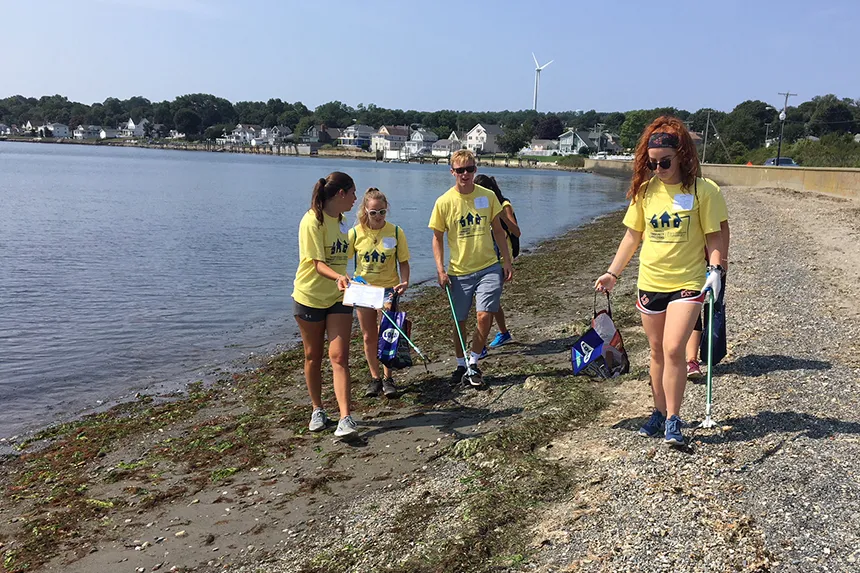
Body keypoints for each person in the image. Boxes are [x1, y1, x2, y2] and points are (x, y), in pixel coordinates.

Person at [594, 116, 726, 446]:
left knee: (673, 349)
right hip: (650, 282)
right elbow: (632, 236)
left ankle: (673, 419)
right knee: (655, 351)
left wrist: (717, 271)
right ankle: (658, 411)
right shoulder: (645, 191)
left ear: (682, 155)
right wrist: (613, 273)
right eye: (652, 164)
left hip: (688, 281)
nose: (658, 169)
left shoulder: (703, 191)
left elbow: (717, 235)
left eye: (664, 162)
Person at [429, 149, 513, 387]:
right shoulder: (444, 202)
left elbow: (498, 230)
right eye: (460, 170)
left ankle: (474, 362)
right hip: (459, 271)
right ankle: (460, 364)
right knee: (460, 320)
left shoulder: (487, 196)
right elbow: (437, 238)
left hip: (488, 266)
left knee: (485, 314)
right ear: (452, 172)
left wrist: (506, 260)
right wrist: (440, 269)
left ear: (475, 170)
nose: (465, 174)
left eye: (469, 169)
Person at [292, 172, 359, 439]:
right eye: (353, 193)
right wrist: (339, 276)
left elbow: (348, 256)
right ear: (340, 194)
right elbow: (317, 264)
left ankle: (345, 417)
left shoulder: (343, 223)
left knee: (340, 356)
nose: (356, 199)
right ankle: (317, 409)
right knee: (313, 356)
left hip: (339, 297)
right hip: (309, 296)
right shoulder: (312, 221)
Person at [349, 187, 411, 398]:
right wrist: (343, 279)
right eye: (373, 212)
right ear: (365, 210)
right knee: (369, 336)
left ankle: (388, 377)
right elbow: (341, 259)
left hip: (388, 290)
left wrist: (405, 282)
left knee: (387, 333)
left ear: (387, 210)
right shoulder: (356, 233)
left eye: (381, 212)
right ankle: (375, 378)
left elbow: (403, 262)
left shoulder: (395, 232)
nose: (377, 216)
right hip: (364, 290)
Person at [473, 174, 521, 351]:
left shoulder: (504, 204)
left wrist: (500, 215)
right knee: (490, 300)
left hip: (501, 260)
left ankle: (481, 345)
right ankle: (503, 332)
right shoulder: (479, 204)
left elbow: (516, 231)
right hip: (484, 257)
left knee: (487, 302)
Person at [686, 202, 729, 380]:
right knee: (690, 310)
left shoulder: (708, 191)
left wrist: (722, 262)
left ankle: (692, 360)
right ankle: (689, 359)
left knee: (705, 310)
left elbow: (723, 228)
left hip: (709, 262)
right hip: (683, 264)